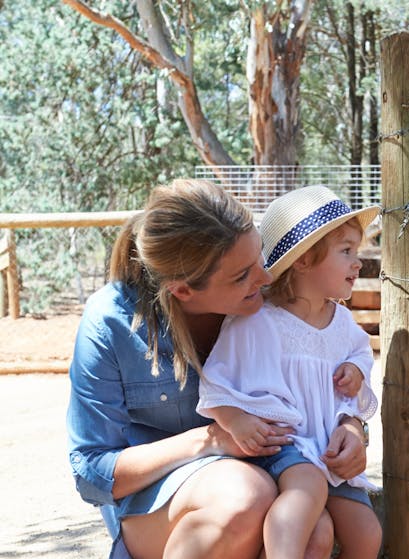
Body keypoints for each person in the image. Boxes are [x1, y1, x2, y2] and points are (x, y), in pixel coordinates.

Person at [66, 179, 369, 559]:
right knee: (244, 499)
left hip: (269, 470)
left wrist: (353, 428)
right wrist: (212, 439)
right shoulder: (111, 322)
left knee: (314, 531)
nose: (266, 276)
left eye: (259, 256)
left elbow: (316, 391)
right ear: (183, 291)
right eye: (242, 275)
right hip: (158, 503)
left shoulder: (280, 310)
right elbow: (91, 473)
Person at [197, 186, 382, 559]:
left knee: (367, 534)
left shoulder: (343, 322)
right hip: (285, 446)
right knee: (306, 490)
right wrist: (236, 422)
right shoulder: (258, 322)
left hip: (329, 448)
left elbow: (361, 353)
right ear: (302, 260)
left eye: (356, 251)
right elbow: (216, 383)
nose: (358, 262)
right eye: (346, 251)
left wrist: (356, 370)